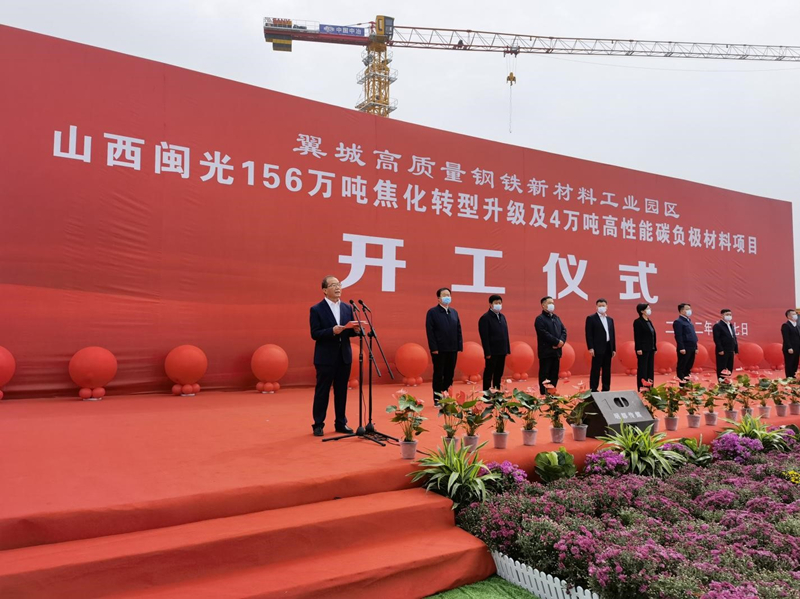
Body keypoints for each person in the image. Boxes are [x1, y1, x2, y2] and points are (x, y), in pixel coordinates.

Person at [309, 275, 359, 437]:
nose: (338, 288)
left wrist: (356, 330)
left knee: (341, 391)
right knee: (322, 391)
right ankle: (318, 424)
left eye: (339, 285)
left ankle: (340, 423)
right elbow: (315, 334)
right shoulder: (316, 309)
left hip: (344, 356)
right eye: (333, 285)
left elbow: (349, 332)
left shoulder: (347, 308)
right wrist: (332, 331)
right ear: (325, 290)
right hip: (325, 357)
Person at [426, 288, 463, 403]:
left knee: (449, 374)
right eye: (444, 295)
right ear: (439, 298)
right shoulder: (432, 312)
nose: (447, 297)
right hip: (439, 349)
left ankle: (446, 398)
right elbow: (430, 331)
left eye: (449, 295)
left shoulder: (454, 312)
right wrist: (434, 348)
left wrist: (459, 346)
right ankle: (437, 399)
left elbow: (458, 330)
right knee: (439, 374)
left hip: (452, 349)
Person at [535, 296, 567, 396]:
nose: (552, 305)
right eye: (549, 303)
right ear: (543, 305)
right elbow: (543, 333)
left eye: (552, 303)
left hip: (556, 352)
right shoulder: (540, 319)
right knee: (545, 374)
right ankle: (544, 395)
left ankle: (552, 394)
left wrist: (561, 342)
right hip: (546, 352)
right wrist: (556, 342)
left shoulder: (556, 318)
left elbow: (564, 331)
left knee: (554, 374)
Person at [478, 294, 510, 392]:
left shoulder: (502, 317)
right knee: (489, 373)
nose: (498, 305)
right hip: (492, 351)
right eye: (496, 303)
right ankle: (487, 394)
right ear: (490, 304)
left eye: (500, 303)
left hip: (502, 350)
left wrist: (507, 349)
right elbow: (484, 337)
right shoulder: (485, 318)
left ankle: (497, 393)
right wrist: (487, 352)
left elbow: (505, 334)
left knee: (498, 373)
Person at [585, 298, 616, 392]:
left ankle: (606, 388)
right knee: (596, 369)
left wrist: (613, 348)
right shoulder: (591, 318)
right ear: (596, 307)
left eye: (603, 305)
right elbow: (589, 334)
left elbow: (612, 334)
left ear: (607, 307)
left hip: (608, 347)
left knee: (607, 369)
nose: (601, 307)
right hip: (597, 348)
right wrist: (591, 347)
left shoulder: (610, 319)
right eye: (599, 306)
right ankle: (593, 389)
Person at [673, 303, 698, 385]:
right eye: (687, 309)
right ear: (681, 311)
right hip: (685, 347)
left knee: (688, 367)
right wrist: (681, 347)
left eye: (690, 309)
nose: (689, 311)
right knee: (682, 366)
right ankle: (682, 385)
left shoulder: (689, 321)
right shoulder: (678, 322)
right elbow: (678, 336)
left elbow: (693, 335)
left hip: (692, 347)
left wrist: (696, 347)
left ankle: (687, 384)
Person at [633, 303, 657, 391]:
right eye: (647, 308)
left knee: (650, 368)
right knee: (643, 369)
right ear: (642, 311)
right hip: (643, 349)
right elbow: (637, 336)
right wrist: (638, 348)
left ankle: (650, 387)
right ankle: (642, 387)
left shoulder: (649, 321)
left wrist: (655, 347)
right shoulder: (638, 322)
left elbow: (653, 335)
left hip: (651, 348)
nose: (649, 310)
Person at [712, 309, 738, 381]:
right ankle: (722, 383)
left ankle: (728, 382)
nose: (729, 316)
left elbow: (734, 337)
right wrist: (720, 349)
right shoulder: (718, 326)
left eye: (730, 314)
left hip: (731, 349)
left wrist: (736, 349)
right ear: (722, 315)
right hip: (723, 350)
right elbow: (716, 339)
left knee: (729, 367)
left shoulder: (731, 325)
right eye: (727, 314)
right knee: (722, 367)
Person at [782, 308, 800, 378]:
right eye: (793, 314)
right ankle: (789, 378)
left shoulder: (797, 325)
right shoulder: (786, 325)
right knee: (789, 364)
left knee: (795, 363)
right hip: (789, 349)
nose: (796, 315)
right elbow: (786, 338)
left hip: (797, 348)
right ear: (789, 316)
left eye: (795, 314)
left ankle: (794, 377)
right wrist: (789, 347)